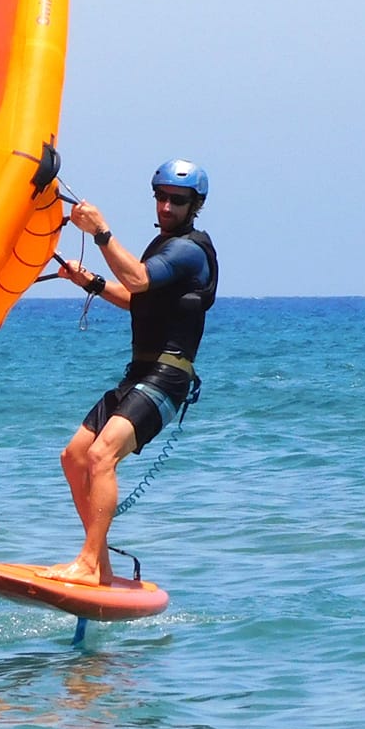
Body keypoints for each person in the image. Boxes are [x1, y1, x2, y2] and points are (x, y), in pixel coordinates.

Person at [45, 159, 218, 587]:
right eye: (160, 196)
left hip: (167, 378)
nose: (165, 206)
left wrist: (101, 232)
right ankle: (98, 564)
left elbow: (138, 280)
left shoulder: (188, 250)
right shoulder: (160, 247)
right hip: (138, 374)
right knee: (73, 457)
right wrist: (92, 283)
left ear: (194, 205)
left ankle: (88, 563)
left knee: (102, 456)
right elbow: (136, 297)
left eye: (177, 201)